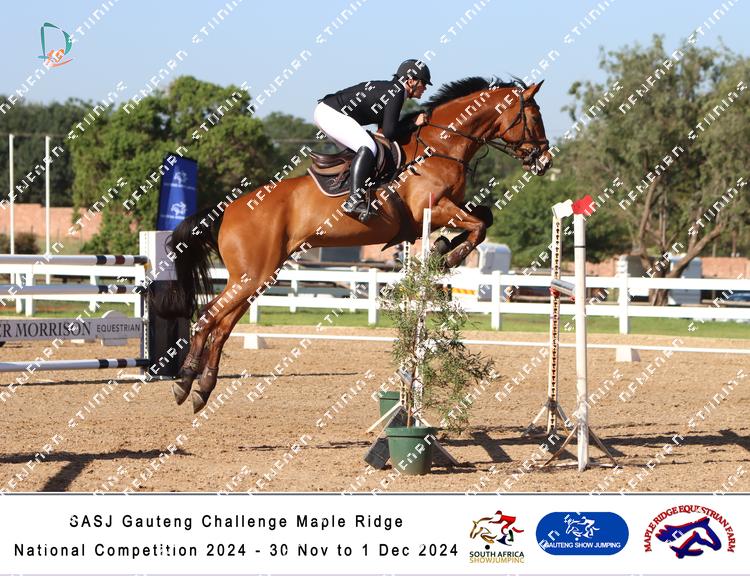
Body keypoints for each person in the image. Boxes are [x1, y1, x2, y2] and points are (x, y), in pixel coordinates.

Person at [313, 59, 432, 222]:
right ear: (411, 81)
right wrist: (413, 123)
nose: (425, 88)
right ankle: (354, 200)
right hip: (330, 113)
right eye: (423, 83)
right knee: (368, 146)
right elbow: (390, 132)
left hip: (327, 112)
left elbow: (384, 130)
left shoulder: (393, 89)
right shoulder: (397, 91)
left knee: (362, 152)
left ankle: (350, 191)